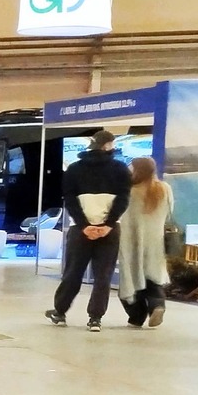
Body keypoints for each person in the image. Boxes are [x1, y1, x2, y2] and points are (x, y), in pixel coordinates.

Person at [47, 128, 129, 332]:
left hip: (80, 230)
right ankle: (95, 318)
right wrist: (109, 224)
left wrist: (84, 225)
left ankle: (60, 311)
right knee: (103, 275)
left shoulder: (74, 169)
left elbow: (70, 199)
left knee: (73, 272)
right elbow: (123, 199)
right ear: (108, 145)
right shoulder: (120, 169)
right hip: (109, 231)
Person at [117, 157, 175, 328]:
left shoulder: (129, 191)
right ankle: (157, 305)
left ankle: (136, 317)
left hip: (131, 241)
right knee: (152, 277)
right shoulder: (165, 188)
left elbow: (120, 213)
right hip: (155, 241)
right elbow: (170, 212)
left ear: (137, 170)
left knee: (131, 279)